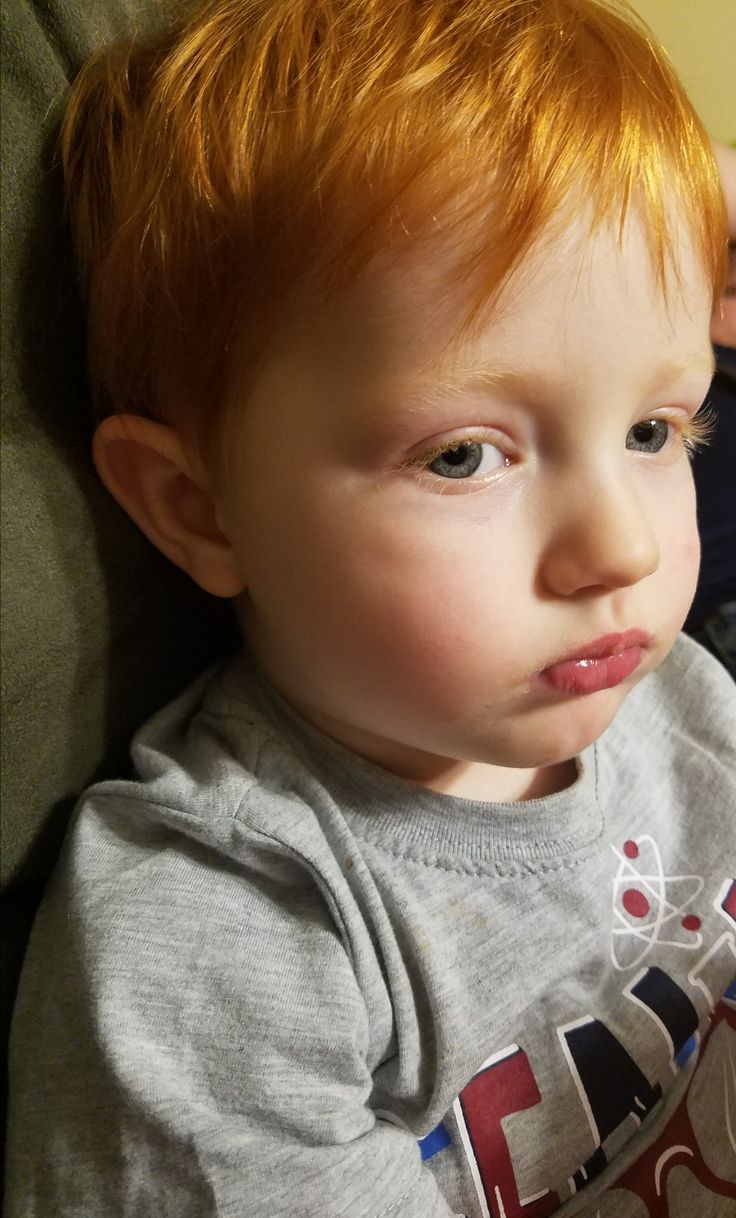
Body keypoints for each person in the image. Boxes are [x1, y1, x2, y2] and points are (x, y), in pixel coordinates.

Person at [5, 1, 736, 1215]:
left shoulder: (674, 700)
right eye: (462, 457)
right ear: (198, 509)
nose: (623, 547)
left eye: (655, 430)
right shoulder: (223, 945)